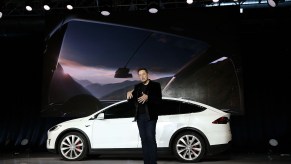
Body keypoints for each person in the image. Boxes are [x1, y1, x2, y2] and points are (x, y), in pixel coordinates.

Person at [127, 67, 162, 164]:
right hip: (140, 117)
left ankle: (153, 162)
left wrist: (148, 97)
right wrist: (129, 95)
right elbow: (132, 102)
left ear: (147, 74)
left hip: (150, 117)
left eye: (144, 74)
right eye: (140, 75)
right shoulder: (137, 87)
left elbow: (159, 100)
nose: (142, 76)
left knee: (151, 138)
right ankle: (146, 162)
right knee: (144, 139)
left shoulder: (155, 85)